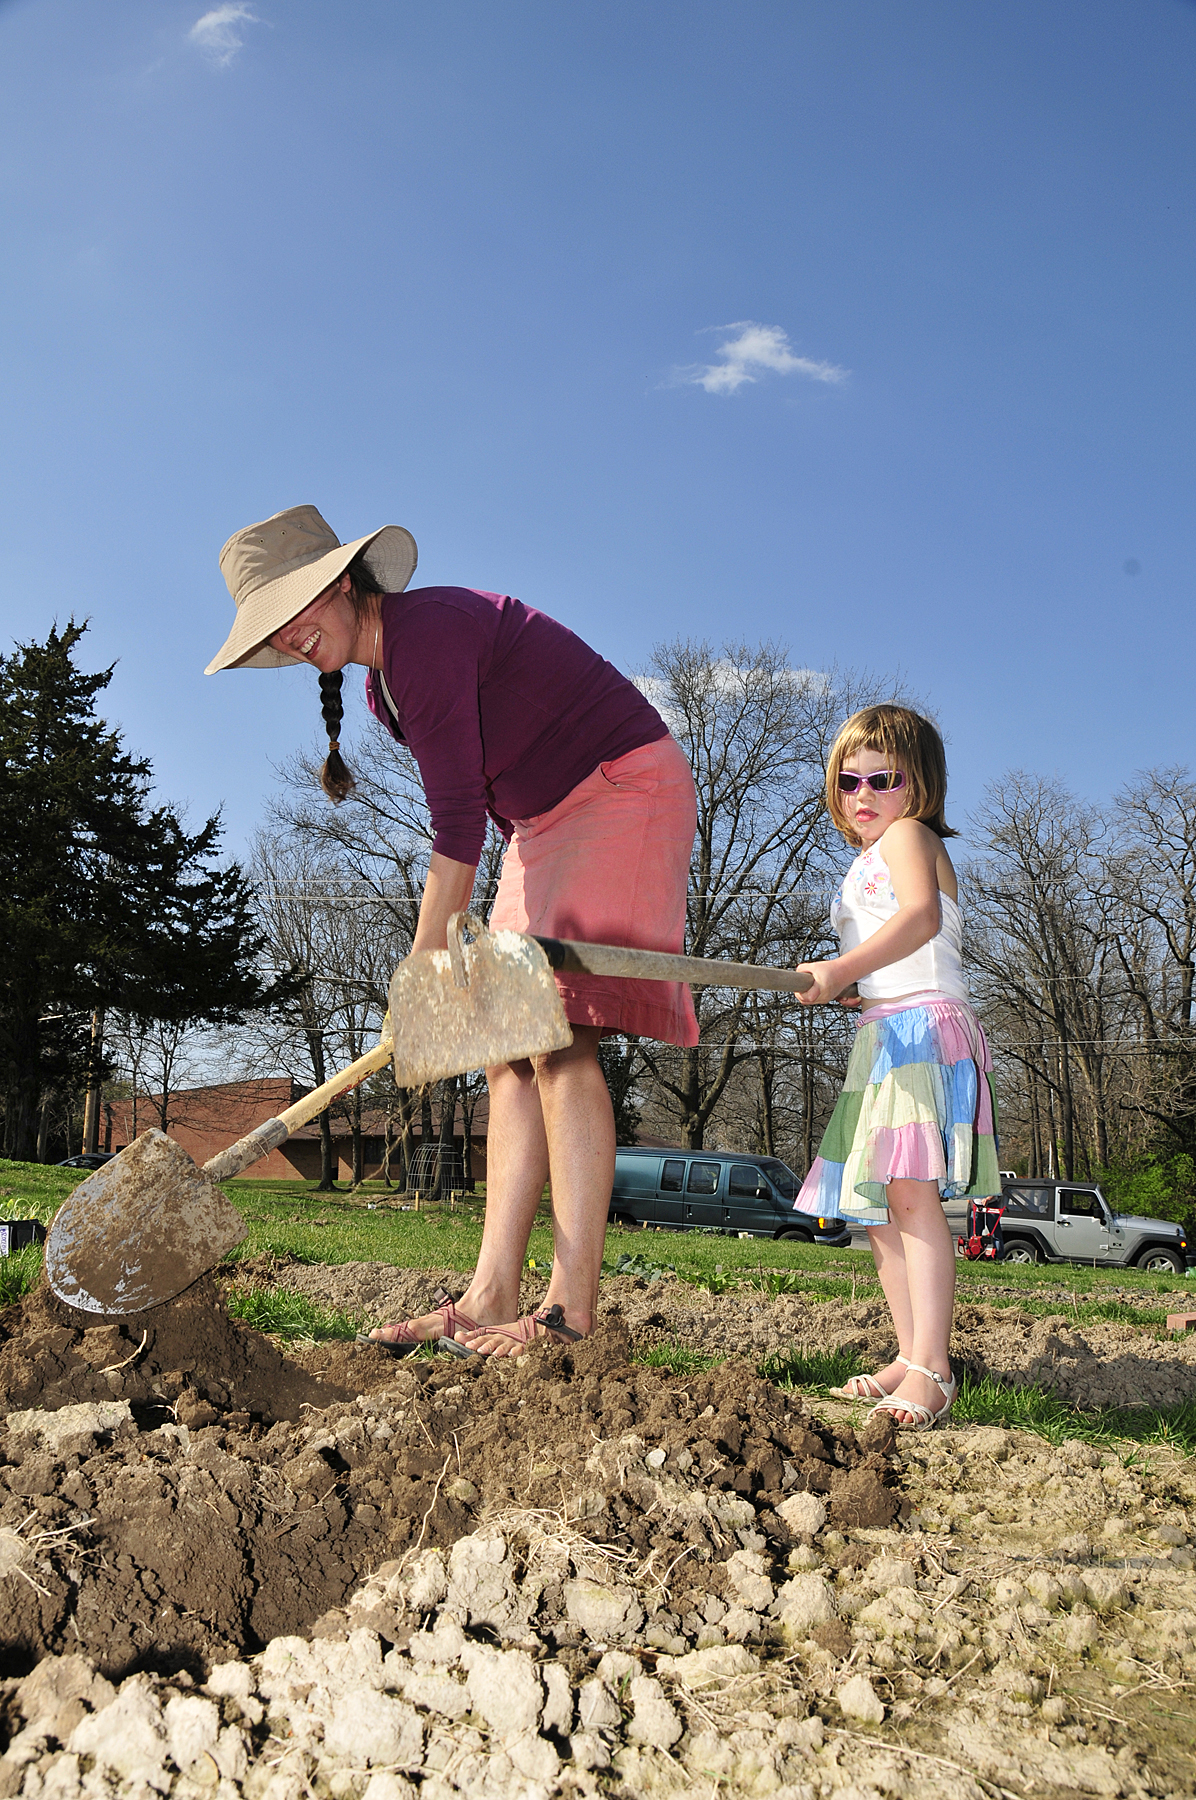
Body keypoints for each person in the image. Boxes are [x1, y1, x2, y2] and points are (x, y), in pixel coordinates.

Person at [207, 504, 698, 1355]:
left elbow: (456, 822)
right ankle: (489, 1293)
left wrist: (425, 966)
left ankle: (570, 1314)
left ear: (342, 581)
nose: (287, 635)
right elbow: (477, 815)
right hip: (541, 824)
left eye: (295, 606)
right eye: (270, 626)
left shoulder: (425, 634)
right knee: (506, 1049)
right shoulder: (381, 684)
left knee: (558, 1041)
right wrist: (434, 971)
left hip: (619, 788)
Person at [791, 705, 999, 1428]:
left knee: (910, 1198)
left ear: (921, 785)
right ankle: (908, 1355)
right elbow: (894, 953)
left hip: (922, 1032)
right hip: (882, 1034)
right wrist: (856, 987)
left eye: (884, 778)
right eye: (849, 781)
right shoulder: (862, 861)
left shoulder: (910, 836)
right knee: (878, 1212)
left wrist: (843, 965)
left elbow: (920, 920)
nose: (864, 794)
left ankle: (935, 1370)